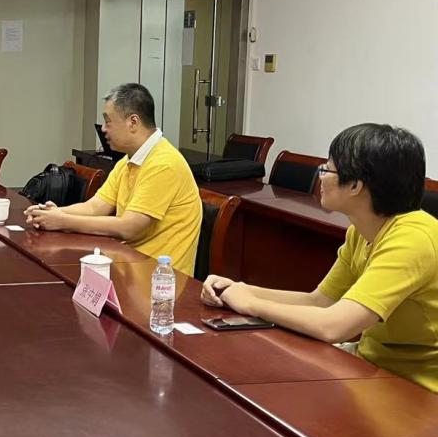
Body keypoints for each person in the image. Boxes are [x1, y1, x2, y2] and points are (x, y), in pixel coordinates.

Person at [203, 123, 438, 390]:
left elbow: (333, 326)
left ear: (355, 185)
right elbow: (321, 301)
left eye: (328, 168)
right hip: (371, 366)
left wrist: (252, 305)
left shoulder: (412, 239)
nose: (320, 175)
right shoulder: (361, 231)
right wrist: (240, 290)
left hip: (417, 389)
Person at [24, 83, 202, 275]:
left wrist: (62, 221)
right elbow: (95, 207)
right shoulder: (128, 161)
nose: (103, 129)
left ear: (133, 122)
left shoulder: (164, 163)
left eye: (108, 122)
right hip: (128, 264)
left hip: (159, 279)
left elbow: (129, 227)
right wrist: (52, 213)